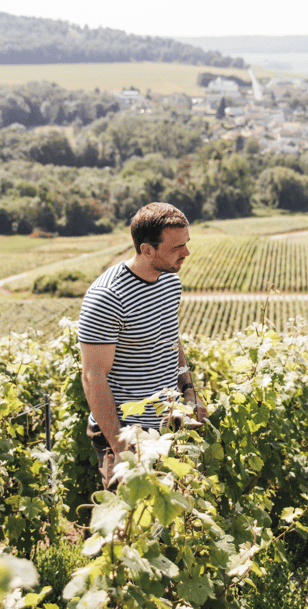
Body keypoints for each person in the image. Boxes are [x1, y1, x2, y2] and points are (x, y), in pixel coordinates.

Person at [78, 202, 207, 488]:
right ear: (147, 249)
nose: (186, 253)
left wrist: (188, 389)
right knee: (127, 526)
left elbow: (171, 339)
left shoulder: (170, 281)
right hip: (126, 434)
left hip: (168, 423)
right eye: (177, 248)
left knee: (169, 522)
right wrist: (122, 450)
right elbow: (93, 377)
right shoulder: (108, 297)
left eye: (186, 244)